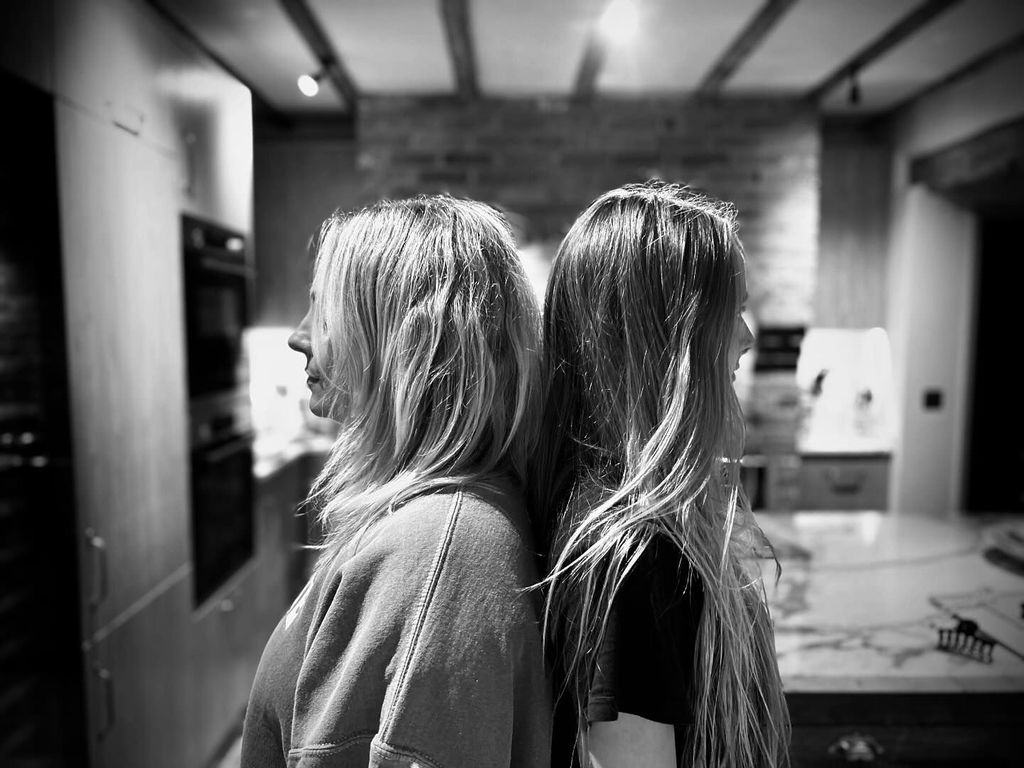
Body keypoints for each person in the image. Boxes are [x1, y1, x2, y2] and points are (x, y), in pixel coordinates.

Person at [241, 194, 552, 768]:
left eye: (324, 310)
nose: (298, 336)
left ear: (401, 337)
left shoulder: (441, 548)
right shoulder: (433, 523)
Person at [534, 181, 791, 767]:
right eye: (732, 311)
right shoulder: (633, 557)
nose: (746, 337)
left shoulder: (618, 519)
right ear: (667, 339)